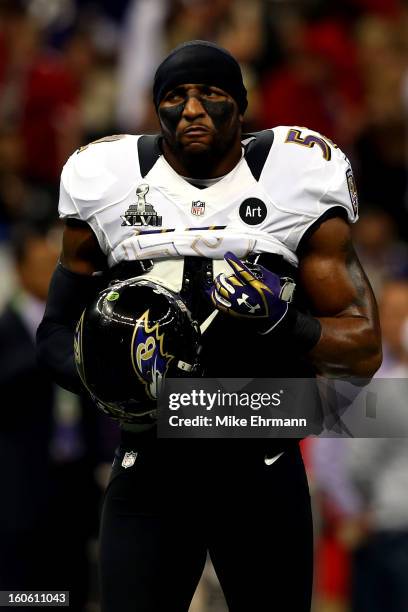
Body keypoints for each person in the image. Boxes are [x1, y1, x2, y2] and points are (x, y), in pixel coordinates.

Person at [37, 40, 382, 612]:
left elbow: (364, 347)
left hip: (259, 457)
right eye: (175, 96)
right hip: (151, 465)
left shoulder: (296, 176)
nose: (191, 110)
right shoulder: (107, 180)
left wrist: (284, 324)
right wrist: (107, 372)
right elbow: (54, 330)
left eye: (211, 95)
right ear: (156, 109)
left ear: (241, 107)